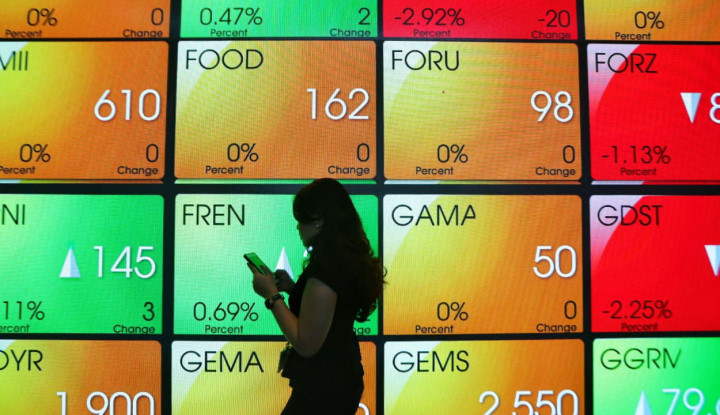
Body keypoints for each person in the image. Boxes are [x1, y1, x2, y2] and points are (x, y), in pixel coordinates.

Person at [248, 178, 384, 415]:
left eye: (301, 220)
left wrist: (271, 295)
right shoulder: (340, 259)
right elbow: (331, 310)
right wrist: (293, 289)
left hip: (325, 387)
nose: (298, 227)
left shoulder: (327, 268)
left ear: (319, 220)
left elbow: (306, 343)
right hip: (336, 380)